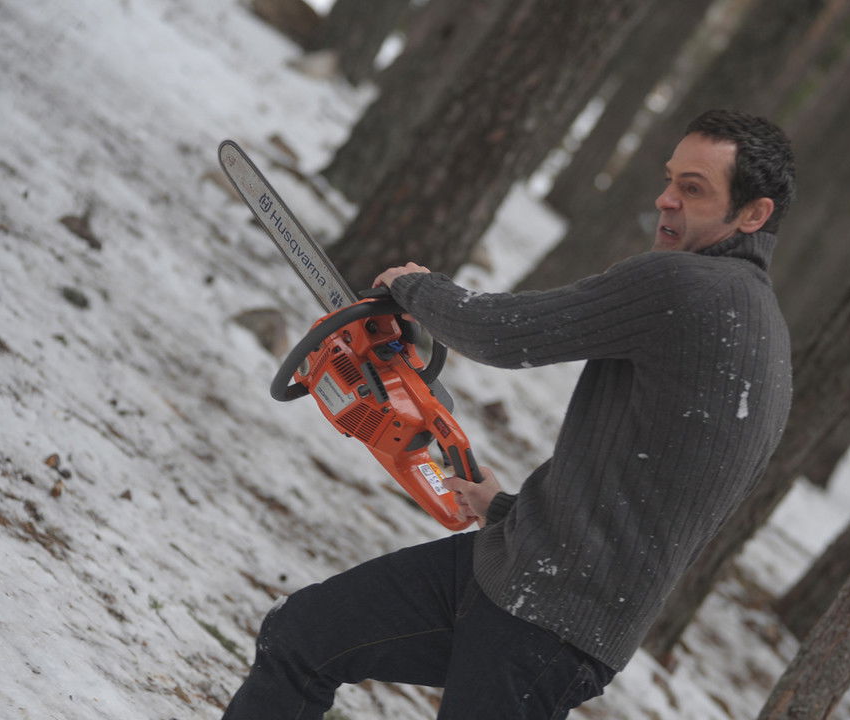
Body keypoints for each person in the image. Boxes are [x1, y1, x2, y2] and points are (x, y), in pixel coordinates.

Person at [221, 109, 795, 720]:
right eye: (670, 179)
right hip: (515, 573)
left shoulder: (689, 286)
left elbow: (507, 334)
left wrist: (418, 288)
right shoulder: (765, 336)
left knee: (304, 639)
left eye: (693, 188)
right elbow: (654, 486)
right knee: (304, 635)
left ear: (753, 214)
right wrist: (506, 509)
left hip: (546, 621)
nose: (666, 200)